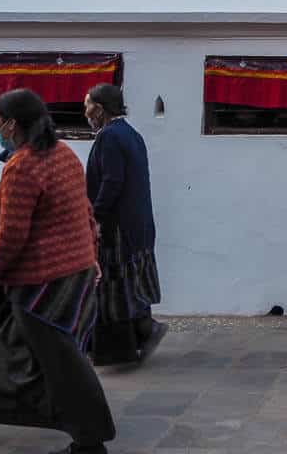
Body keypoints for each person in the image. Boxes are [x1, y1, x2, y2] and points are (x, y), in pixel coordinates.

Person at [0, 89, 116, 454]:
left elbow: (12, 237)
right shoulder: (62, 152)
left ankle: (90, 440)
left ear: (12, 124)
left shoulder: (24, 166)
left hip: (40, 285)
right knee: (47, 358)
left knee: (58, 367)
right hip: (72, 276)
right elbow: (85, 210)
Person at [84, 83, 165, 366]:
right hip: (136, 223)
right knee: (128, 282)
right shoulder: (131, 134)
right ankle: (138, 336)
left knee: (116, 284)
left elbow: (112, 182)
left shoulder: (109, 137)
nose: (85, 111)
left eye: (87, 106)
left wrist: (94, 216)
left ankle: (142, 333)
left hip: (117, 226)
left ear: (100, 108)